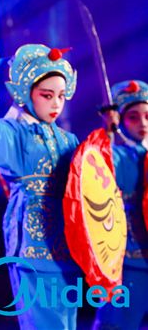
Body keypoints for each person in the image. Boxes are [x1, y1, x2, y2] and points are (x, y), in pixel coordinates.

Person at [0, 44, 81, 329]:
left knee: (67, 320)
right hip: (32, 241)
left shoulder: (69, 140)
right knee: (42, 322)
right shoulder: (15, 133)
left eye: (61, 96)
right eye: (47, 95)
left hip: (68, 244)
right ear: (27, 92)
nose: (56, 104)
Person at [93, 80, 148, 329]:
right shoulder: (119, 156)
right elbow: (99, 165)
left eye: (147, 116)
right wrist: (108, 133)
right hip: (128, 261)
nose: (143, 123)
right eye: (133, 117)